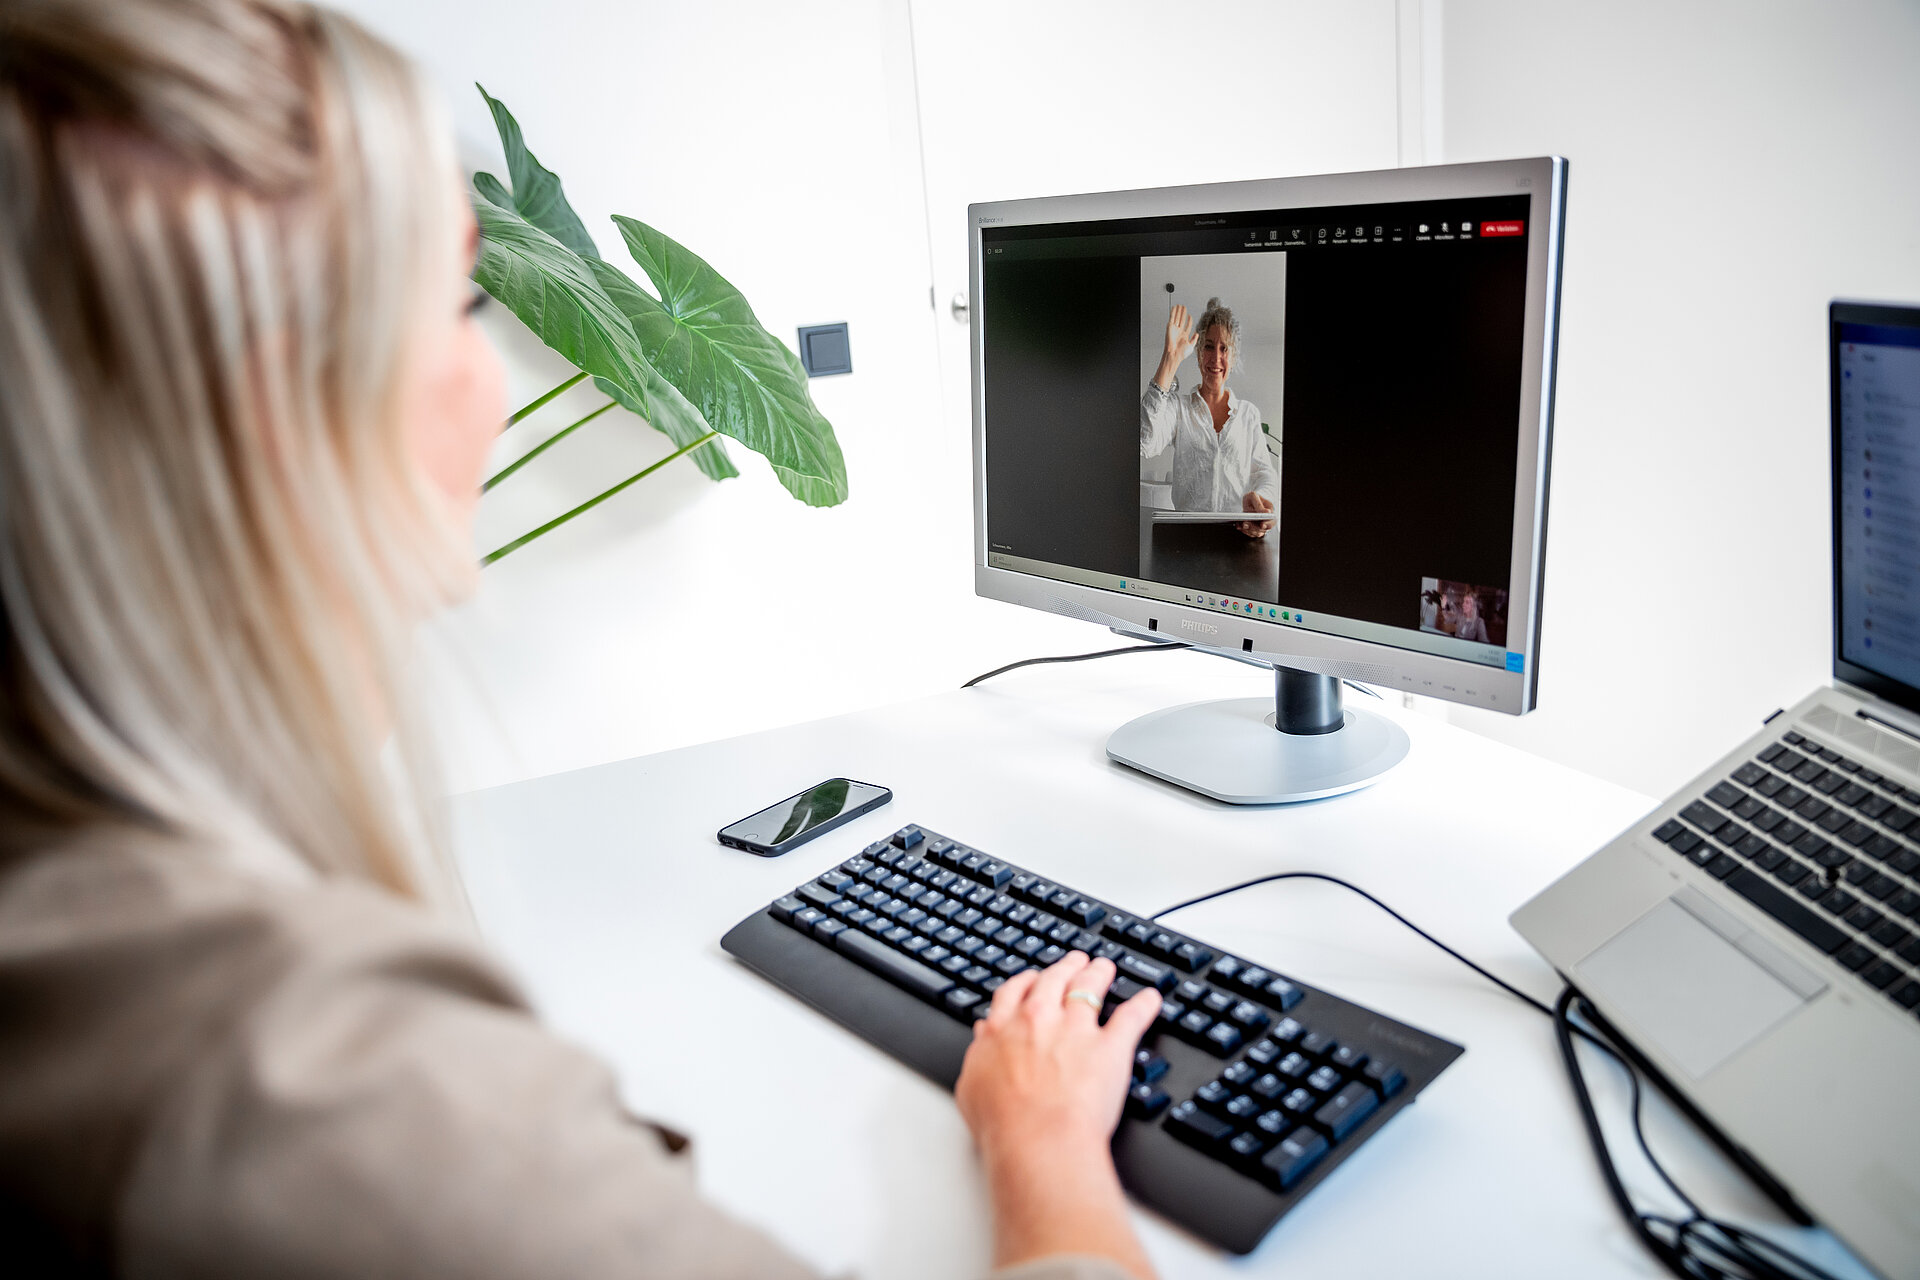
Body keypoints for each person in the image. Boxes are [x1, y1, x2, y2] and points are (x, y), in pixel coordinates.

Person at [0, 2, 1164, 1276]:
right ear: (275, 413)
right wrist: (1045, 1140)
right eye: (452, 296)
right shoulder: (312, 1087)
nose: (495, 369)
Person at [1140, 297, 1276, 538]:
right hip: (1186, 539)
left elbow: (1264, 472)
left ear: (1233, 357)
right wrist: (1169, 360)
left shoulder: (1248, 414)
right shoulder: (1178, 408)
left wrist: (1262, 505)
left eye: (1224, 348)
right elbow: (1144, 443)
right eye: (1209, 346)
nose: (1216, 358)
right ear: (1199, 352)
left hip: (1239, 539)